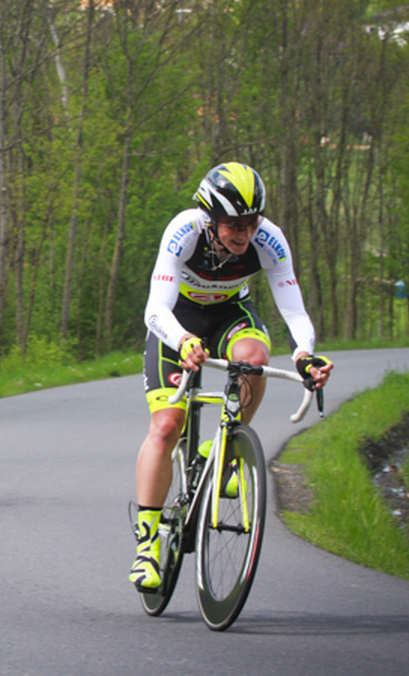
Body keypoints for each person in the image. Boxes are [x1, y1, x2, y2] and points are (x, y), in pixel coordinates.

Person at [130, 162, 333, 591]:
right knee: (167, 424)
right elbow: (154, 310)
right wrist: (183, 340)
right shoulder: (184, 231)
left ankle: (226, 444)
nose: (244, 234)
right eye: (233, 225)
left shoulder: (269, 241)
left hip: (228, 315)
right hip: (176, 320)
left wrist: (304, 355)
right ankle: (147, 544)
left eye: (251, 222)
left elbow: (293, 309)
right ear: (211, 218)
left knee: (255, 356)